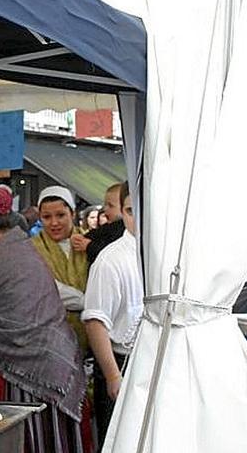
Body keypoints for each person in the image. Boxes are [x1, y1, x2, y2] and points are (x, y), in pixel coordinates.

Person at [0, 186, 86, 453]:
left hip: (33, 372)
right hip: (47, 358)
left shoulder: (8, 259)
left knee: (31, 439)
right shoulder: (19, 250)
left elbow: (7, 328)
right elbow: (11, 308)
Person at [82, 182, 143, 448]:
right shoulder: (111, 260)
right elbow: (96, 321)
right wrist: (112, 375)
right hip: (122, 361)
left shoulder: (165, 255)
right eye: (130, 210)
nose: (138, 218)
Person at [32, 185, 90, 350]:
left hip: (92, 336)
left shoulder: (90, 242)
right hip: (49, 340)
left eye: (61, 215)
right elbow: (45, 288)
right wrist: (88, 301)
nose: (54, 223)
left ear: (72, 214)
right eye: (47, 217)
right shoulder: (31, 248)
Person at [72, 183, 125, 264]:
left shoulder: (122, 230)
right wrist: (81, 239)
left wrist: (89, 246)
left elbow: (110, 252)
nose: (105, 209)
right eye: (105, 204)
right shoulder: (109, 226)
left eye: (111, 206)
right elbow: (95, 234)